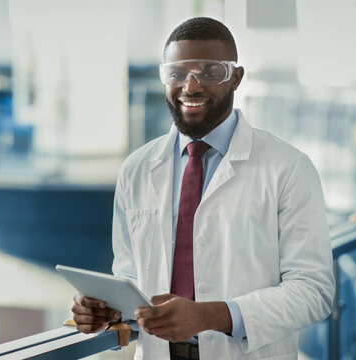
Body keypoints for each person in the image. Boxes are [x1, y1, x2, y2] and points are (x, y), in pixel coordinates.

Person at [71, 17, 334, 359]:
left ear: (236, 78)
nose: (190, 87)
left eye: (210, 72)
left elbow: (314, 292)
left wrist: (209, 315)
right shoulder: (136, 169)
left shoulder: (288, 168)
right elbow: (131, 276)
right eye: (177, 73)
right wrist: (106, 309)